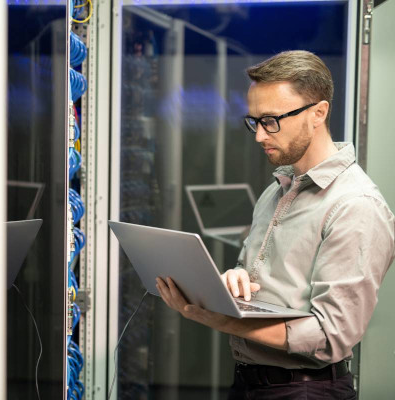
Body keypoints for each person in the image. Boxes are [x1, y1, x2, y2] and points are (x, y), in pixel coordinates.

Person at [156, 50, 394, 399]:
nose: (259, 136)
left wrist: (218, 319)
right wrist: (234, 281)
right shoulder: (277, 189)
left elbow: (331, 335)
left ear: (319, 113)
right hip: (252, 381)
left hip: (306, 391)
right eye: (254, 121)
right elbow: (255, 277)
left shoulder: (356, 205)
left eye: (271, 120)